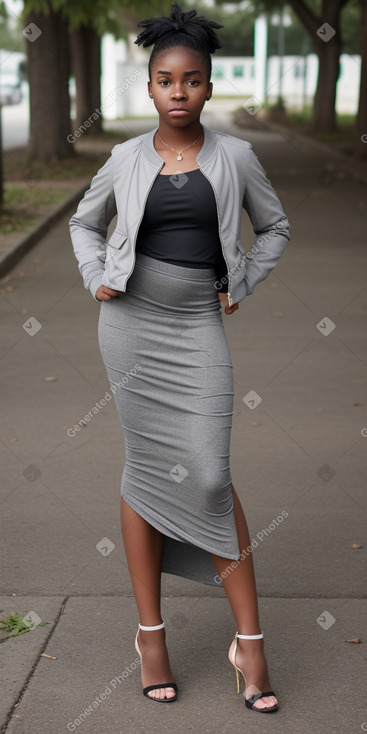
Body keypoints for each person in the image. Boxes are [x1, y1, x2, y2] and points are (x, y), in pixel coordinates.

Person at [69, 2, 290, 713]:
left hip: (197, 324)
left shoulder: (236, 157)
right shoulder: (125, 158)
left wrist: (242, 283)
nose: (178, 91)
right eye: (166, 80)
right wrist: (95, 275)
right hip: (130, 325)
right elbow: (83, 221)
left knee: (208, 473)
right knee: (143, 469)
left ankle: (248, 640)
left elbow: (275, 226)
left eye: (191, 80)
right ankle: (150, 635)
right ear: (150, 88)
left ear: (208, 86)